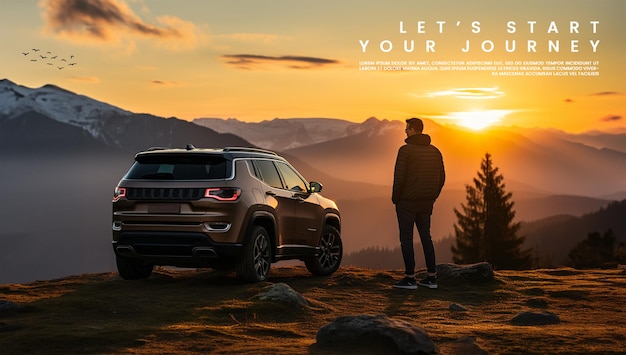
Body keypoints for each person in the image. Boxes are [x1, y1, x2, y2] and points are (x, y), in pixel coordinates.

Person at [392, 117, 445, 290]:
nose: (405, 131)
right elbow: (441, 178)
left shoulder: (405, 151)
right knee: (426, 236)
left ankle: (410, 278)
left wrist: (396, 198)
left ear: (414, 130)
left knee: (406, 239)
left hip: (407, 202)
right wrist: (433, 196)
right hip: (427, 202)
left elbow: (399, 178)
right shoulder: (435, 151)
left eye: (407, 128)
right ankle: (431, 277)